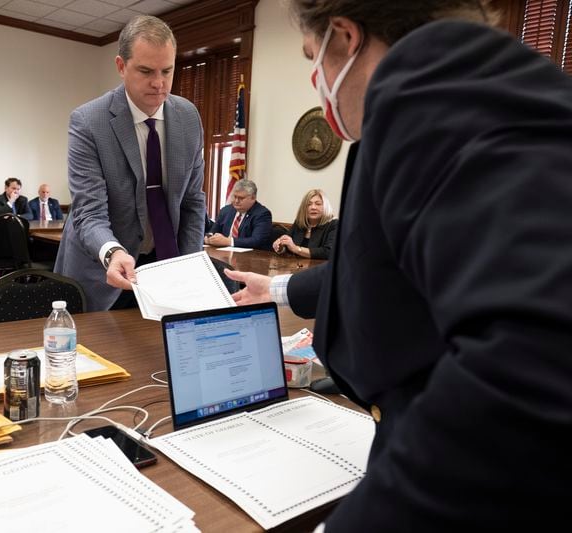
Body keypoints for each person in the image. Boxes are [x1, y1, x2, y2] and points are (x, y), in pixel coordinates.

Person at [224, 1, 572, 531]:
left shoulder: (430, 97)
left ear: (344, 36)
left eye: (311, 56)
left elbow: (534, 362)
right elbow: (380, 261)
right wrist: (274, 288)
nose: (314, 80)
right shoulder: (466, 84)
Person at [54, 15, 206, 312]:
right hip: (103, 271)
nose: (159, 83)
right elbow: (89, 212)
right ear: (121, 67)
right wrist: (113, 252)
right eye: (146, 71)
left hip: (163, 266)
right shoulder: (89, 122)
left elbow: (192, 202)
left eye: (167, 70)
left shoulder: (188, 117)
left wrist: (188, 267)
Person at [205, 178, 272, 250]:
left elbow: (257, 240)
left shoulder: (262, 214)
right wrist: (209, 238)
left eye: (241, 198)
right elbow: (213, 231)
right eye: (235, 197)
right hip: (223, 254)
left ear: (253, 198)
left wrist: (228, 241)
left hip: (249, 257)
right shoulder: (226, 210)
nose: (236, 201)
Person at [271, 188, 336, 259]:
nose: (313, 207)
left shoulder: (333, 224)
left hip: (319, 268)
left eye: (318, 204)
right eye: (309, 204)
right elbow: (288, 246)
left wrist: (296, 249)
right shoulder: (299, 223)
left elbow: (328, 252)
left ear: (325, 207)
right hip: (295, 267)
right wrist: (281, 247)